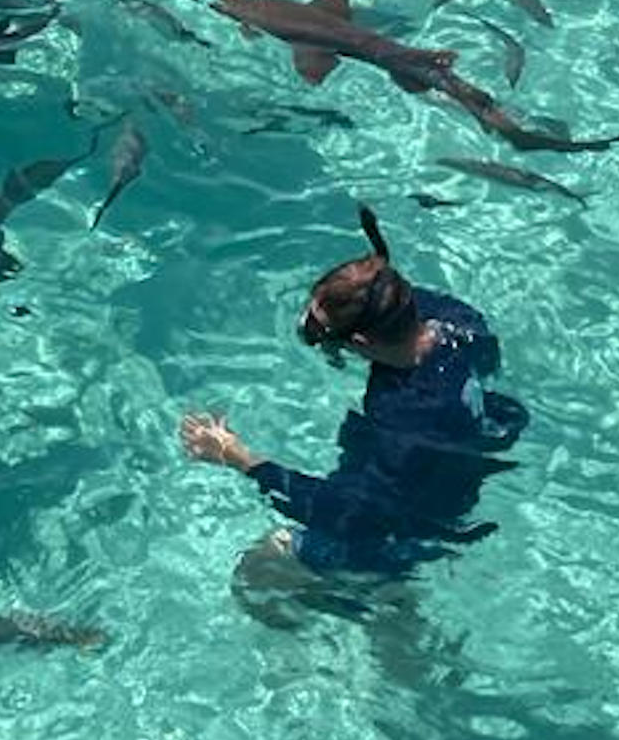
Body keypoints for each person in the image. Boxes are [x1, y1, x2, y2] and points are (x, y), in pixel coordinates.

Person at [180, 206, 528, 626]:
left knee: (257, 574)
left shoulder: (406, 421)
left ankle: (360, 620)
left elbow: (347, 513)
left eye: (324, 329)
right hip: (454, 478)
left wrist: (239, 458)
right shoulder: (458, 322)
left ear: (361, 340)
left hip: (398, 526)